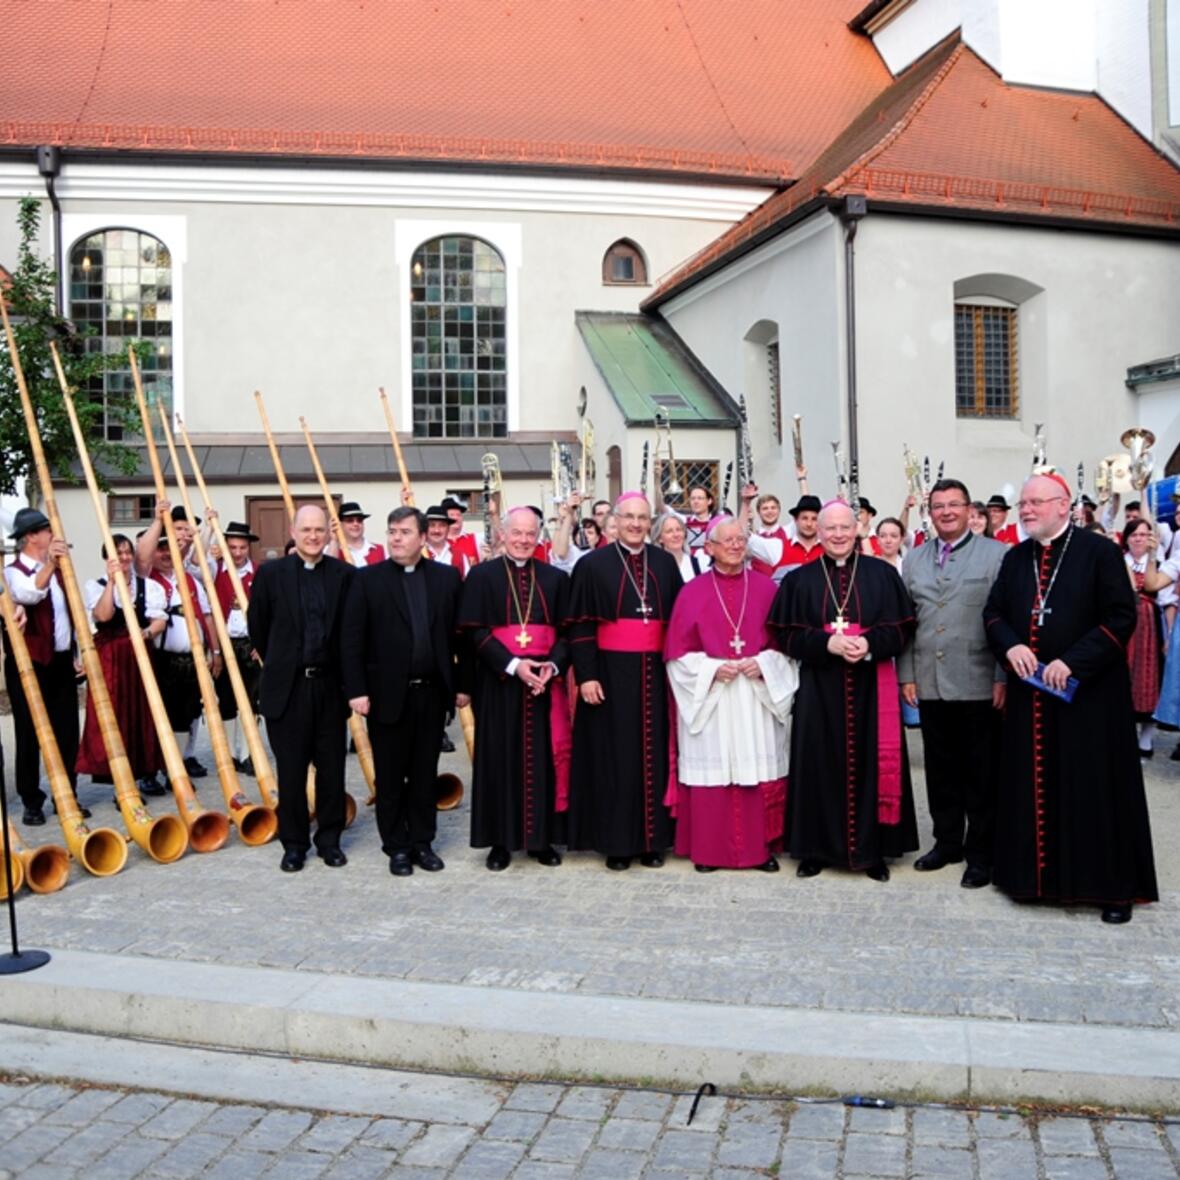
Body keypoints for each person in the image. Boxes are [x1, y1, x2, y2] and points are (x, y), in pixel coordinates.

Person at [983, 473, 1158, 923]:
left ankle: (1111, 889)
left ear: (1064, 505)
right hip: (1031, 696)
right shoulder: (1017, 557)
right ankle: (1035, 880)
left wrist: (1073, 661)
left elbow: (1122, 618)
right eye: (1022, 503)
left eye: (1035, 503)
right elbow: (995, 612)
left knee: (1095, 788)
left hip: (1091, 699)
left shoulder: (1099, 552)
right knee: (1035, 783)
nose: (1026, 510)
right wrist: (1012, 646)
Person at [769, 499, 918, 880]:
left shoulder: (882, 576)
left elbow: (903, 627)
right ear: (818, 532)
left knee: (871, 763)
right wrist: (825, 644)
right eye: (830, 528)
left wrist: (869, 645)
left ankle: (875, 851)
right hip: (819, 688)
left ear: (857, 530)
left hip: (872, 686)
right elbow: (784, 635)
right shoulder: (799, 580)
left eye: (844, 528)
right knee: (817, 764)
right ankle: (815, 849)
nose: (837, 535)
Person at [665, 518, 797, 872]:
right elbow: (676, 656)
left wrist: (765, 664)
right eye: (728, 541)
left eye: (741, 539)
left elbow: (787, 647)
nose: (737, 546)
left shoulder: (767, 589)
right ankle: (709, 852)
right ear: (709, 548)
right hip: (714, 698)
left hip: (755, 696)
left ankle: (760, 850)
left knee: (756, 767)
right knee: (715, 770)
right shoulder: (691, 592)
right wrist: (710, 670)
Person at [342, 507, 462, 877]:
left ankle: (423, 842)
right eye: (392, 531)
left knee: (425, 773)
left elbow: (458, 636)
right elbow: (352, 640)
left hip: (430, 694)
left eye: (405, 532)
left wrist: (461, 687)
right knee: (391, 776)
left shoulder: (446, 578)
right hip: (385, 696)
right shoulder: (368, 580)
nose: (396, 538)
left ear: (423, 538)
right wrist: (357, 690)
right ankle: (396, 846)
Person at [898, 479, 1007, 888]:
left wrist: (1002, 677)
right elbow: (907, 621)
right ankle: (947, 843)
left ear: (968, 510)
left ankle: (981, 853)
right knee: (939, 769)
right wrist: (907, 674)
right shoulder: (915, 559)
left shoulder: (997, 556)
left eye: (953, 505)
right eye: (938, 505)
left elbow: (1004, 622)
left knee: (980, 773)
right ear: (930, 511)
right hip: (929, 681)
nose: (946, 512)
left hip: (979, 681)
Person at [568, 491, 682, 869]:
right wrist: (586, 676)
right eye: (629, 517)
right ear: (613, 521)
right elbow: (581, 626)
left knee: (654, 756)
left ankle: (652, 841)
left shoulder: (664, 563)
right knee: (615, 759)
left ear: (651, 523)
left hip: (655, 673)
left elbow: (678, 623)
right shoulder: (592, 565)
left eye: (643, 518)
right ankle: (617, 844)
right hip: (609, 675)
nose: (636, 524)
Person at [458, 506, 571, 870]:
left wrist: (551, 666)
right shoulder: (482, 576)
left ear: (539, 536)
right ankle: (501, 842)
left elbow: (568, 633)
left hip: (544, 684)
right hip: (500, 681)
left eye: (530, 533)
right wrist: (513, 665)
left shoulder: (554, 578)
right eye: (517, 533)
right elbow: (474, 631)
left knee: (544, 761)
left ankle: (541, 840)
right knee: (499, 760)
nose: (523, 540)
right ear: (503, 534)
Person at [249, 504, 353, 871]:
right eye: (306, 529)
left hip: (328, 687)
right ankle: (293, 843)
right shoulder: (270, 575)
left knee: (332, 768)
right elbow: (258, 628)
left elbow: (348, 633)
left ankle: (330, 840)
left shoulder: (344, 575)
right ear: (293, 532)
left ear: (328, 533)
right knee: (290, 773)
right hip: (287, 689)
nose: (313, 536)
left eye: (319, 530)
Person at [3, 507, 85, 824]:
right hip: (30, 663)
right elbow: (30, 594)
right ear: (31, 537)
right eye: (47, 530)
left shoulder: (60, 572)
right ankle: (31, 800)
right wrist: (51, 564)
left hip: (61, 660)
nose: (53, 534)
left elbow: (71, 617)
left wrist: (78, 651)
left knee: (66, 731)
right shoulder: (10, 573)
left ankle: (68, 795)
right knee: (28, 732)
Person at [79, 534, 167, 793]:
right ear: (107, 558)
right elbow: (103, 615)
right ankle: (119, 779)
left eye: (128, 552)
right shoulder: (95, 586)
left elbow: (159, 621)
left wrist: (147, 633)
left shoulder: (146, 587)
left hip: (138, 654)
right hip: (109, 659)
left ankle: (147, 772)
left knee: (143, 712)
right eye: (118, 553)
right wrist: (111, 583)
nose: (125, 557)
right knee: (114, 713)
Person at [210, 520, 262, 774]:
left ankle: (248, 754)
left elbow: (272, 611)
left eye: (242, 547)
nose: (238, 553)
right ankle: (230, 754)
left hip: (250, 644)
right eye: (233, 547)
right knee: (227, 700)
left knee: (252, 700)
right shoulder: (215, 570)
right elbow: (191, 563)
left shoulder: (261, 573)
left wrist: (262, 643)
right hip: (225, 643)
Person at [1121, 518, 1173, 758]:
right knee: (1124, 676)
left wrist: (1169, 635)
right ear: (1127, 538)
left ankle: (1146, 739)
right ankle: (1125, 734)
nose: (1139, 539)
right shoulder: (1119, 562)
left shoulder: (1159, 565)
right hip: (1123, 627)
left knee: (1151, 676)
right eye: (1134, 535)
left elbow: (1167, 602)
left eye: (1143, 534)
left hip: (1150, 627)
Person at [749, 494, 823, 581]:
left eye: (814, 519)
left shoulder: (829, 549)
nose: (809, 524)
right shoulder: (778, 547)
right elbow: (743, 537)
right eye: (804, 518)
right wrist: (746, 503)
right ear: (795, 520)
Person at [653, 512, 709, 582]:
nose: (676, 535)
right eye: (669, 531)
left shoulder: (699, 564)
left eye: (679, 529)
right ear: (659, 538)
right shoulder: (653, 568)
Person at [335, 502, 386, 566]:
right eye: (350, 520)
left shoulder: (380, 550)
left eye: (359, 520)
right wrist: (333, 540)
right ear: (340, 525)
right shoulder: (332, 550)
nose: (356, 524)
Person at [682, 485, 715, 550]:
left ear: (709, 501)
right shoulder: (684, 521)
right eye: (692, 498)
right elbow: (663, 509)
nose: (695, 502)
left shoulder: (717, 522)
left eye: (700, 498)